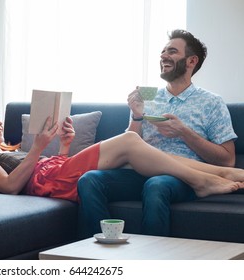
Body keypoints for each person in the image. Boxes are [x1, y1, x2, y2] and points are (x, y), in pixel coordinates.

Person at [77, 29, 238, 238]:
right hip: (140, 171)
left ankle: (153, 261)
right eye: (163, 51)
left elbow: (228, 160)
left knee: (157, 184)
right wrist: (136, 115)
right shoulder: (149, 95)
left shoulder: (212, 102)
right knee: (89, 179)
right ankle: (100, 252)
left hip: (182, 176)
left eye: (172, 51)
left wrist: (184, 133)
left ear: (191, 61)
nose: (163, 56)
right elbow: (131, 143)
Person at [0, 101, 243, 206]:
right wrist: (39, 147)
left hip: (57, 174)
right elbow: (11, 186)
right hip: (52, 183)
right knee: (130, 140)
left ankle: (230, 173)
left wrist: (65, 145)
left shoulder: (13, 150)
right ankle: (201, 183)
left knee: (160, 158)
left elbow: (48, 170)